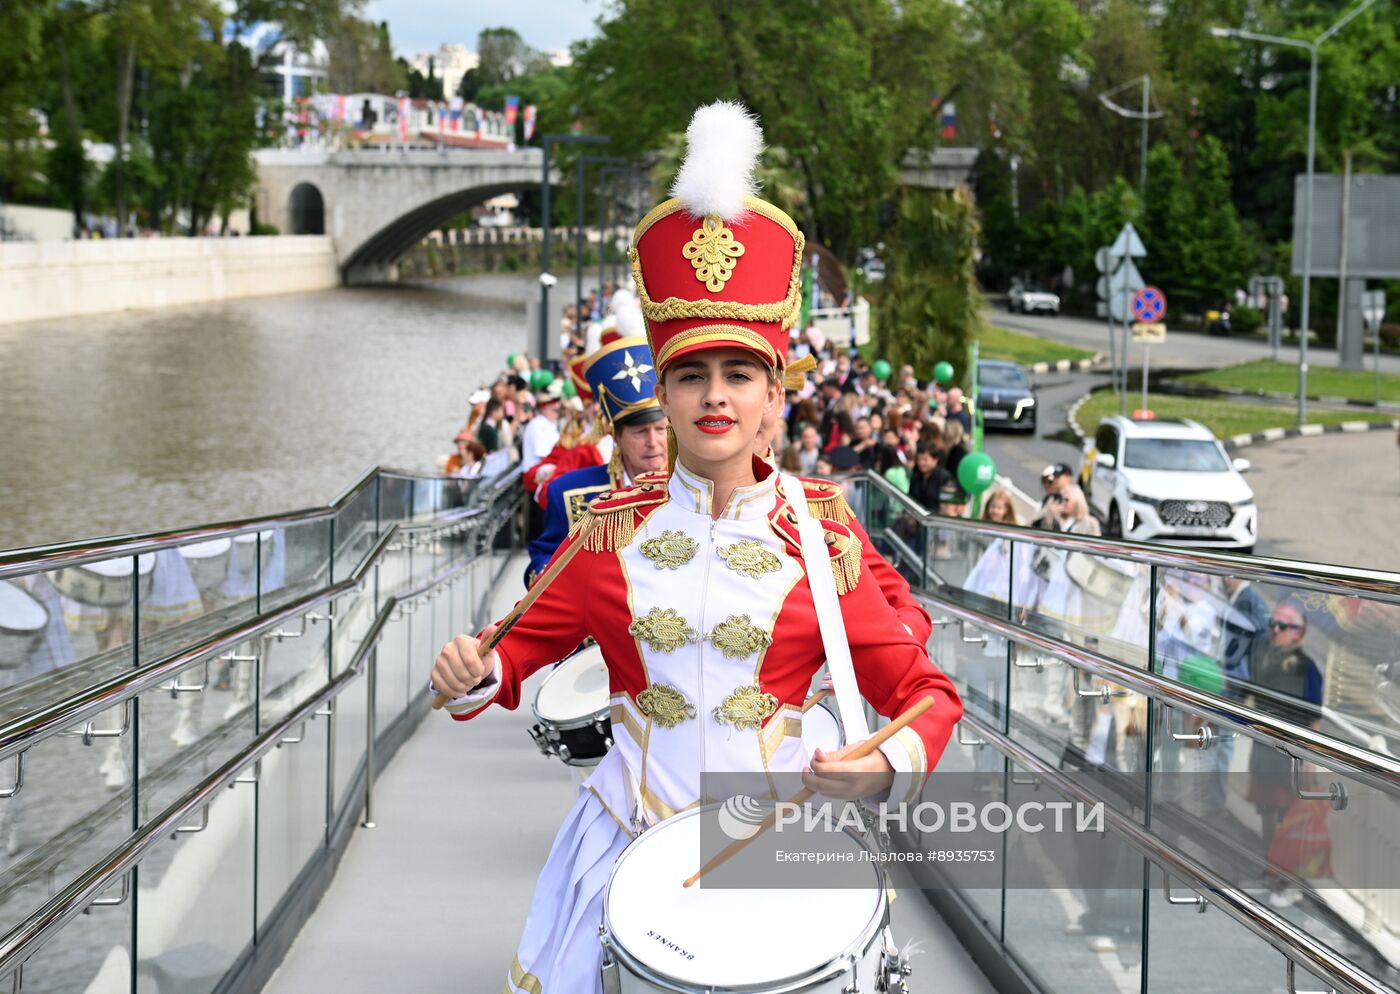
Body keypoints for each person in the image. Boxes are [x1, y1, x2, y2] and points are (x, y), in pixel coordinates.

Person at [432, 101, 962, 994]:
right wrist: (471, 672)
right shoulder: (610, 527)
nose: (715, 396)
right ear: (666, 396)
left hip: (777, 850)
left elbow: (925, 694)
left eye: (739, 374)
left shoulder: (820, 532)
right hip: (627, 849)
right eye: (690, 375)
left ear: (772, 397)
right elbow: (520, 650)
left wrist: (877, 766)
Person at [524, 334, 669, 583]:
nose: (653, 442)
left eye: (660, 429)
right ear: (614, 435)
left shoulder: (696, 486)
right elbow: (544, 558)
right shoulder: (570, 493)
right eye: (640, 432)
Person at [1245, 599, 1324, 908]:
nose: (1275, 631)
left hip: (1291, 754)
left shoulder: (1308, 670)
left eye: (1284, 626)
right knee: (1267, 813)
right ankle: (1270, 872)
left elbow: (1315, 720)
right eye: (1273, 625)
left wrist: (1310, 761)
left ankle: (1289, 882)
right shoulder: (1264, 659)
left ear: (1300, 633)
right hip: (1264, 748)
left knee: (1289, 820)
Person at [1031, 463, 1074, 528]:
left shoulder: (1073, 498)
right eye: (1055, 476)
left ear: (1068, 478)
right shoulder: (1052, 496)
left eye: (1058, 476)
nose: (1055, 479)